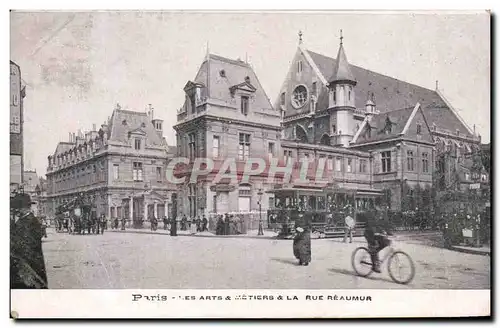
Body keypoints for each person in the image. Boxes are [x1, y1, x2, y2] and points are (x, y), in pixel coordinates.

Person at [10, 193, 48, 289]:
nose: (15, 210)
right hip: (27, 268)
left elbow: (27, 245)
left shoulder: (30, 221)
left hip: (30, 269)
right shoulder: (23, 220)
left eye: (17, 208)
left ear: (25, 207)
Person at [364, 208, 392, 273]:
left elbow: (384, 224)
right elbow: (370, 225)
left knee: (385, 242)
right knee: (373, 246)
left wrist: (389, 232)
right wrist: (376, 232)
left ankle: (375, 254)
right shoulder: (371, 213)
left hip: (376, 233)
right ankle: (374, 266)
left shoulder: (381, 213)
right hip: (369, 233)